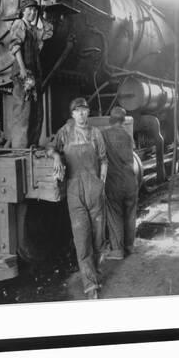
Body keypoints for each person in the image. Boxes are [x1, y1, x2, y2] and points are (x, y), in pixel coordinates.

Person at [49, 97, 108, 299]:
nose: (81, 114)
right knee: (82, 240)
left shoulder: (96, 134)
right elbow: (52, 148)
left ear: (88, 113)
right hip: (75, 192)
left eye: (84, 110)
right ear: (72, 114)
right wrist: (56, 156)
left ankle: (96, 273)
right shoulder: (65, 132)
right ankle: (90, 285)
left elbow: (104, 160)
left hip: (94, 191)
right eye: (77, 111)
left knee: (98, 239)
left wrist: (101, 184)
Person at [9, 0, 53, 148]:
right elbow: (15, 47)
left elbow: (48, 32)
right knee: (23, 110)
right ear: (23, 11)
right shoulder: (19, 24)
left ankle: (32, 145)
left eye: (35, 10)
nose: (32, 12)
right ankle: (20, 148)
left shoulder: (33, 30)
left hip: (34, 74)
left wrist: (41, 16)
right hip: (24, 73)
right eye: (29, 9)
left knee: (36, 111)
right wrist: (22, 69)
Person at [102, 106, 139, 260]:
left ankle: (117, 251)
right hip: (131, 181)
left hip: (114, 181)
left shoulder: (104, 134)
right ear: (123, 120)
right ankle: (129, 247)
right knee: (130, 214)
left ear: (111, 119)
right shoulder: (128, 135)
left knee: (115, 214)